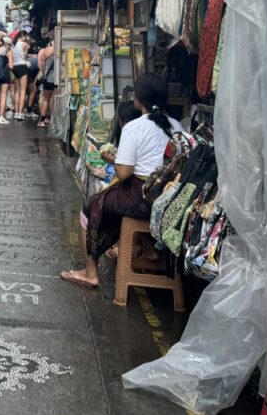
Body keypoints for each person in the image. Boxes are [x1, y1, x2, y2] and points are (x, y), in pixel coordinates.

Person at [60, 74, 182, 288]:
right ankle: (144, 250)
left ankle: (90, 272)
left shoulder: (134, 127)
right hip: (169, 198)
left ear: (138, 98)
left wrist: (113, 159)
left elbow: (124, 173)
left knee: (91, 207)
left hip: (140, 196)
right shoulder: (177, 126)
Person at [36, 39, 57, 128]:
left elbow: (42, 65)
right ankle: (53, 119)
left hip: (48, 77)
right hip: (57, 77)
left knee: (45, 99)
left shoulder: (46, 51)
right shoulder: (61, 48)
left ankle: (42, 121)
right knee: (54, 99)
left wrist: (43, 74)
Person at [11, 32, 30, 120]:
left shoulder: (13, 44)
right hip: (22, 67)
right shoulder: (25, 44)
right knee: (23, 91)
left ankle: (16, 111)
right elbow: (25, 57)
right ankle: (20, 112)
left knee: (17, 91)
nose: (26, 38)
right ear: (22, 36)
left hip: (15, 67)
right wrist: (27, 50)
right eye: (26, 36)